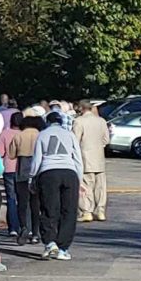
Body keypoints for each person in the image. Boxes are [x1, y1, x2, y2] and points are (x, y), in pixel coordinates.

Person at [33, 106, 85, 260]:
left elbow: (37, 159)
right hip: (69, 172)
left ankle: (50, 242)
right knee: (68, 211)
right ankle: (63, 247)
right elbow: (78, 159)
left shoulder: (42, 135)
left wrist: (32, 178)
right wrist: (79, 179)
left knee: (49, 208)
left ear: (47, 122)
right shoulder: (69, 135)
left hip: (48, 172)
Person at [3, 108, 43, 248]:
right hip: (37, 172)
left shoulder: (19, 136)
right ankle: (36, 233)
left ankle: (24, 227)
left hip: (21, 172)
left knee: (22, 203)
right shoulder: (40, 135)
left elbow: (12, 154)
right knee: (36, 203)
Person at [73, 100, 110, 222]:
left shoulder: (79, 121)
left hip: (85, 158)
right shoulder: (101, 121)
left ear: (81, 108)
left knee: (86, 186)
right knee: (100, 187)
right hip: (99, 158)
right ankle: (100, 211)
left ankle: (87, 211)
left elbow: (75, 141)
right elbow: (106, 140)